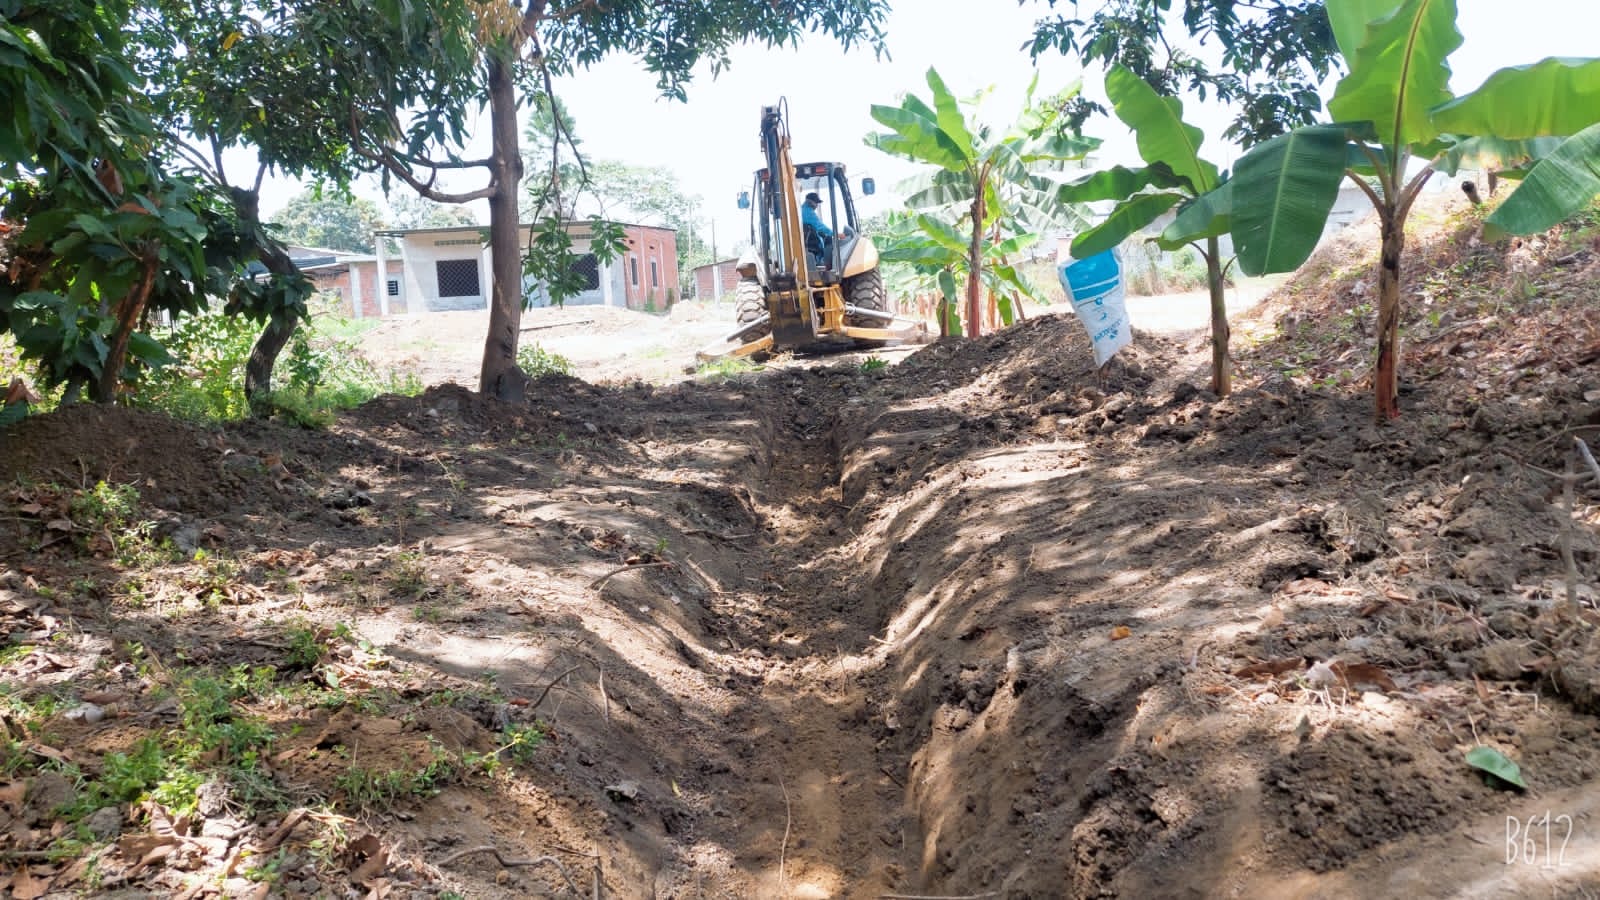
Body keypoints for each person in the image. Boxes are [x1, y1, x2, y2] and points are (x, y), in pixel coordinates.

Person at [800, 191, 833, 267]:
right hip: (813, 246)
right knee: (829, 240)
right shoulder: (808, 212)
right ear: (809, 201)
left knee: (826, 238)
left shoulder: (801, 210)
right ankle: (827, 265)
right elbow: (820, 227)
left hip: (810, 243)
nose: (817, 205)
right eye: (816, 202)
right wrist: (835, 233)